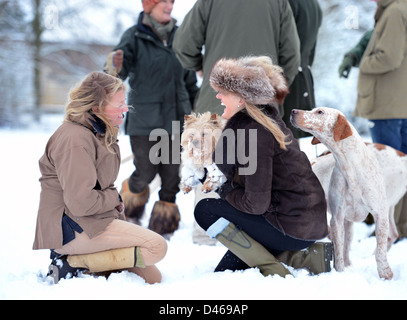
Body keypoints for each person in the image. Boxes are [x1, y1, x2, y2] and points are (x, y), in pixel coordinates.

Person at [194, 56, 332, 277]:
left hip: (291, 226)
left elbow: (254, 204)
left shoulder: (255, 133)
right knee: (225, 271)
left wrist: (221, 187)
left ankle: (277, 267)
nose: (218, 96)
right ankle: (302, 257)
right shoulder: (263, 123)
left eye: (224, 92)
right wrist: (208, 175)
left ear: (241, 99)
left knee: (205, 209)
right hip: (302, 222)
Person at [32, 72, 167, 284]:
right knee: (156, 247)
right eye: (119, 104)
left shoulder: (98, 133)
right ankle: (70, 264)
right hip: (72, 229)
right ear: (96, 108)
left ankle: (88, 270)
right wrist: (115, 199)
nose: (126, 108)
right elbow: (81, 203)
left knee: (152, 277)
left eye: (125, 102)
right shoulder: (75, 139)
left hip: (95, 221)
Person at [104, 0, 199, 235]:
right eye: (163, 2)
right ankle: (129, 212)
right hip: (145, 121)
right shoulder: (134, 36)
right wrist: (113, 67)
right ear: (149, 6)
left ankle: (163, 225)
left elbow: (189, 81)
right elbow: (115, 75)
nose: (169, 6)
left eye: (171, 1)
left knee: (171, 178)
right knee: (145, 172)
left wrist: (200, 109)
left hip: (177, 120)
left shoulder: (180, 36)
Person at [172, 0, 300, 117]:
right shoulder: (279, 2)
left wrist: (202, 68)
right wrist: (271, 86)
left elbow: (183, 46)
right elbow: (291, 56)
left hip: (216, 106)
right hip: (262, 110)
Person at [354, 0, 407, 153]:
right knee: (402, 165)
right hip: (397, 103)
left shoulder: (394, 11)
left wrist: (364, 63)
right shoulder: (399, 7)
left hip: (386, 104)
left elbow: (389, 58)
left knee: (387, 163)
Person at [282, 0, 323, 139]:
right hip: (303, 73)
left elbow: (285, 40)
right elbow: (312, 49)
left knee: (285, 135)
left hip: (288, 74)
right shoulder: (314, 4)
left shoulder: (289, 3)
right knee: (292, 135)